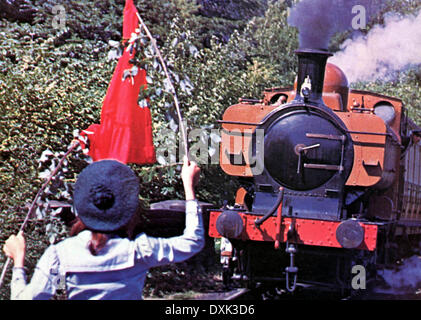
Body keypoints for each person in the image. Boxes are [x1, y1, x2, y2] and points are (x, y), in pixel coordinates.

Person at [3, 157, 203, 300]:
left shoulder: (59, 254)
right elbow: (192, 242)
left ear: (81, 207)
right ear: (128, 210)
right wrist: (189, 187)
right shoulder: (140, 251)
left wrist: (19, 260)